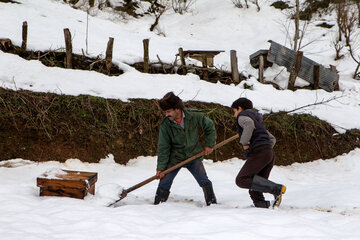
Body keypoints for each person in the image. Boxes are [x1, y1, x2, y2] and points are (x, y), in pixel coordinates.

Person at [154, 92, 217, 206]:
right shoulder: (166, 125)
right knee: (164, 182)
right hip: (175, 158)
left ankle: (212, 203)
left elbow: (209, 127)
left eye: (168, 111)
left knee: (203, 180)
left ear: (177, 109)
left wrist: (209, 145)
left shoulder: (194, 116)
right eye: (165, 112)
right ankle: (158, 205)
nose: (166, 114)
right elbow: (164, 147)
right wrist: (161, 168)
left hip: (193, 155)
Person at [231, 97, 286, 208]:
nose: (234, 115)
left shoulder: (243, 117)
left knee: (241, 180)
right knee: (255, 183)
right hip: (268, 154)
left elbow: (249, 124)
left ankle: (277, 189)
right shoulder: (258, 122)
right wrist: (265, 149)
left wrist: (245, 144)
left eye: (234, 111)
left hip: (260, 153)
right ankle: (261, 204)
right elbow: (272, 139)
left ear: (240, 108)